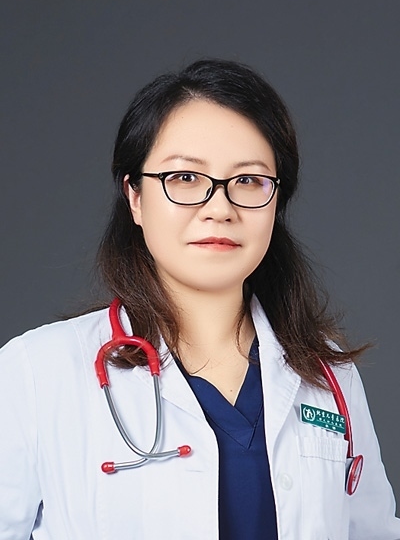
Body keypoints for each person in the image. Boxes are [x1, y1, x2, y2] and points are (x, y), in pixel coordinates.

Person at [0, 59, 399, 540]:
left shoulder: (328, 374)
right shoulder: (35, 373)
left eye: (248, 181)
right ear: (135, 197)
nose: (219, 209)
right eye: (185, 178)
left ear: (277, 202)